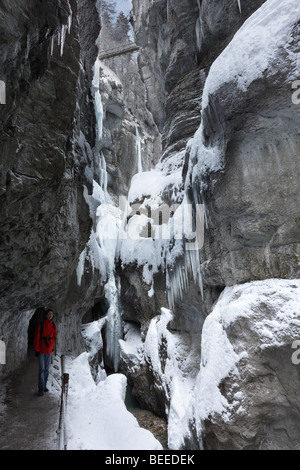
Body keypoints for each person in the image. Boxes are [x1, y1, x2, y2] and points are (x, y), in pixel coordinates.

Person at [34, 309, 57, 396]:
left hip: (48, 351)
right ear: (46, 315)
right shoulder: (41, 325)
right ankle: (41, 388)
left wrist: (53, 348)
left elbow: (54, 338)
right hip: (41, 351)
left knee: (46, 370)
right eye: (49, 314)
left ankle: (44, 387)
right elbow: (36, 338)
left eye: (52, 314)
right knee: (42, 369)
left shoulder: (53, 326)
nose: (51, 315)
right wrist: (37, 349)